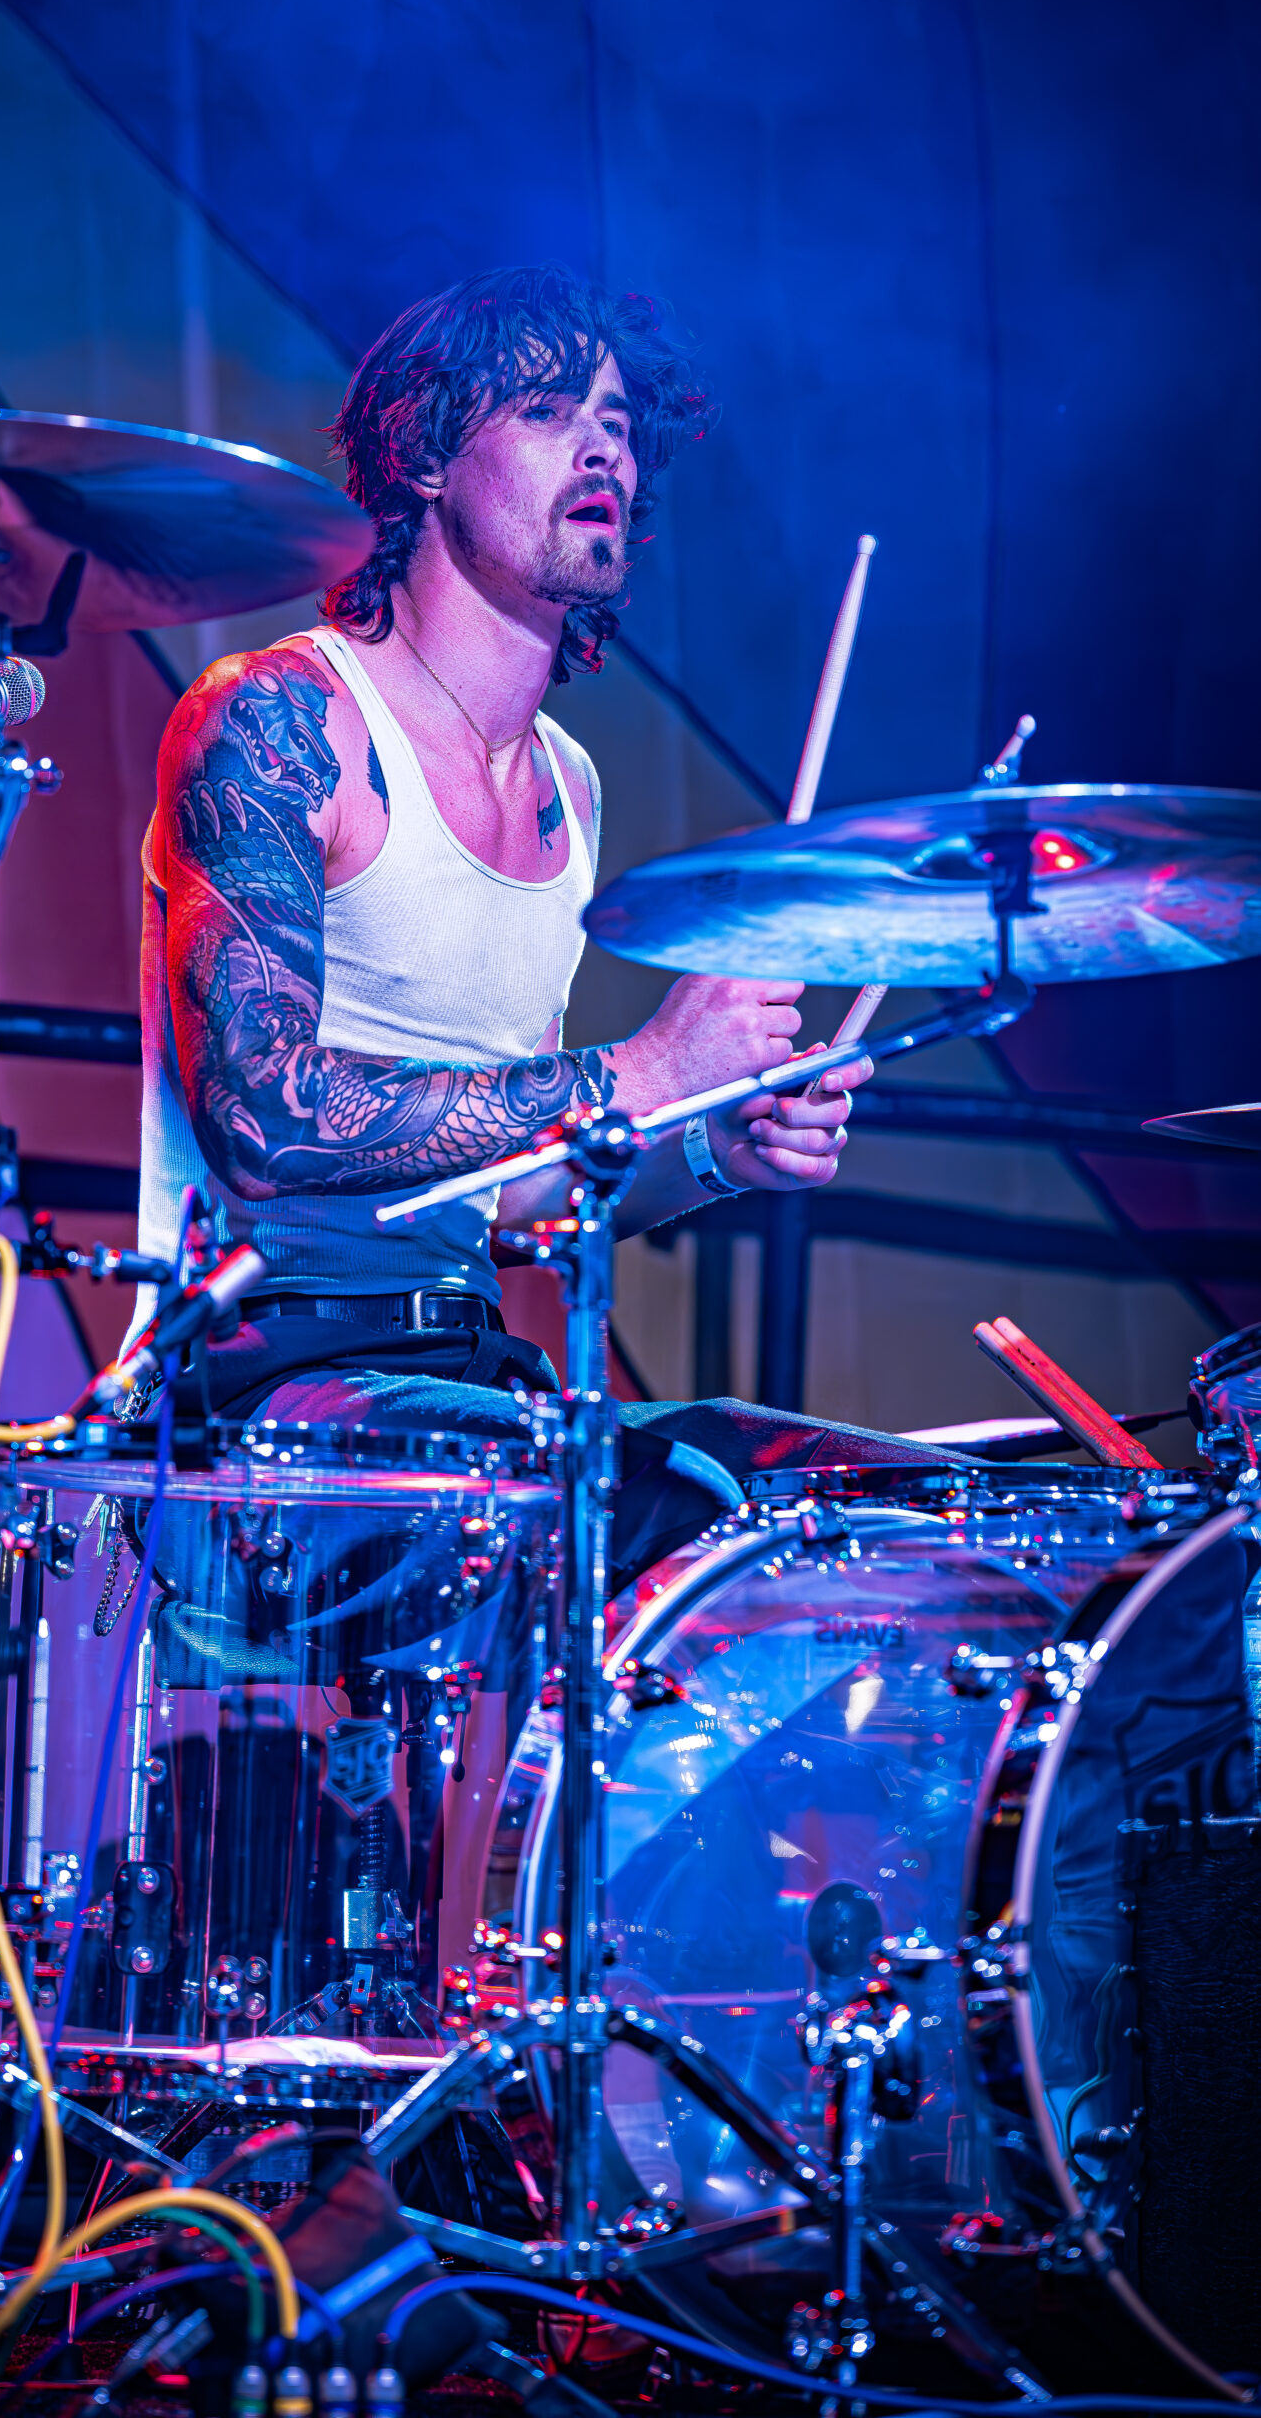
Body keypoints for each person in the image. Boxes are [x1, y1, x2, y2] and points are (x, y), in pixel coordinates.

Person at [130, 264, 935, 1573]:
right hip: (254, 1387)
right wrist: (640, 1071)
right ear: (430, 454)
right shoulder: (283, 721)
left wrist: (710, 1140)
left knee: (847, 1503)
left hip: (460, 1367)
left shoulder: (571, 783)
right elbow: (263, 1119)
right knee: (659, 1504)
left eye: (619, 419)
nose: (604, 442)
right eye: (553, 409)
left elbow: (514, 1198)